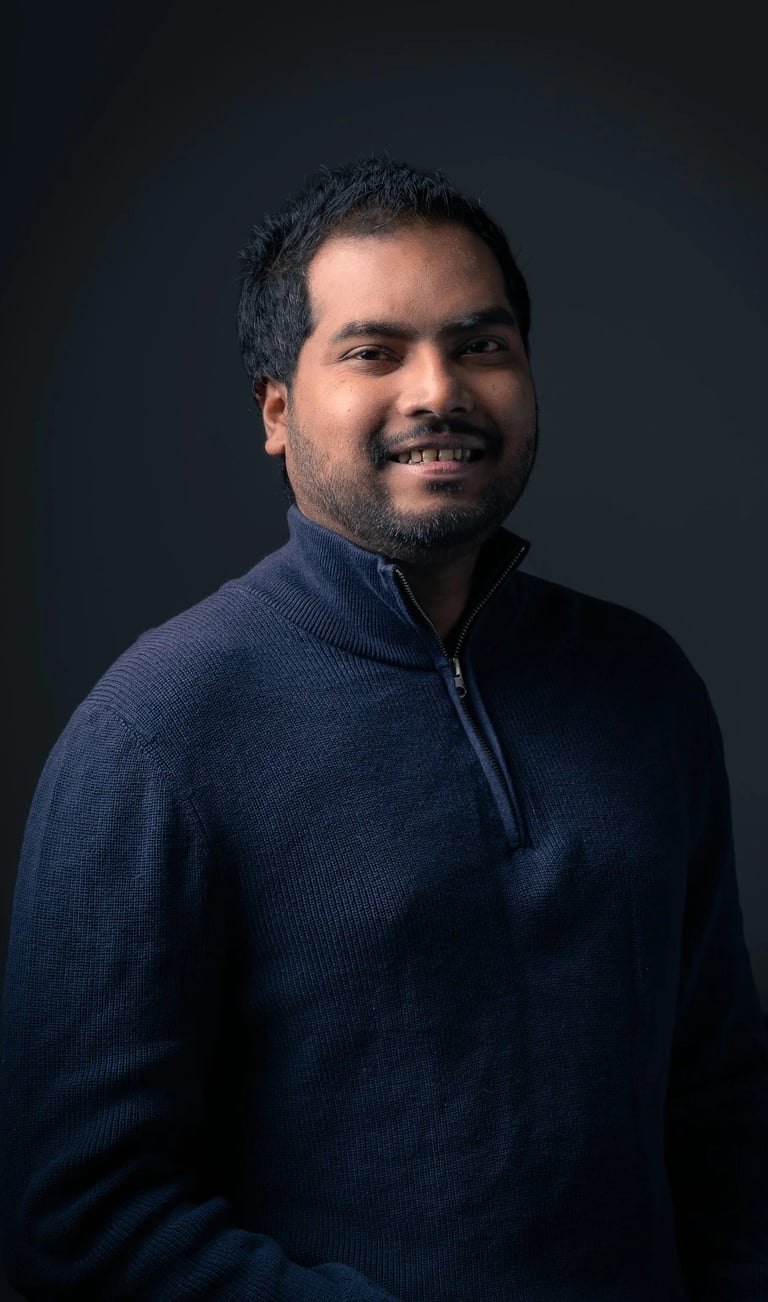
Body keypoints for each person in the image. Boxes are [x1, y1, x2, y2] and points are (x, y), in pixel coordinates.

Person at [2, 156, 767, 1301]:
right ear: (276, 410)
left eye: (482, 345)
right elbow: (73, 1216)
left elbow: (722, 1106)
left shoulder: (643, 686)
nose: (437, 391)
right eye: (374, 351)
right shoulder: (153, 736)